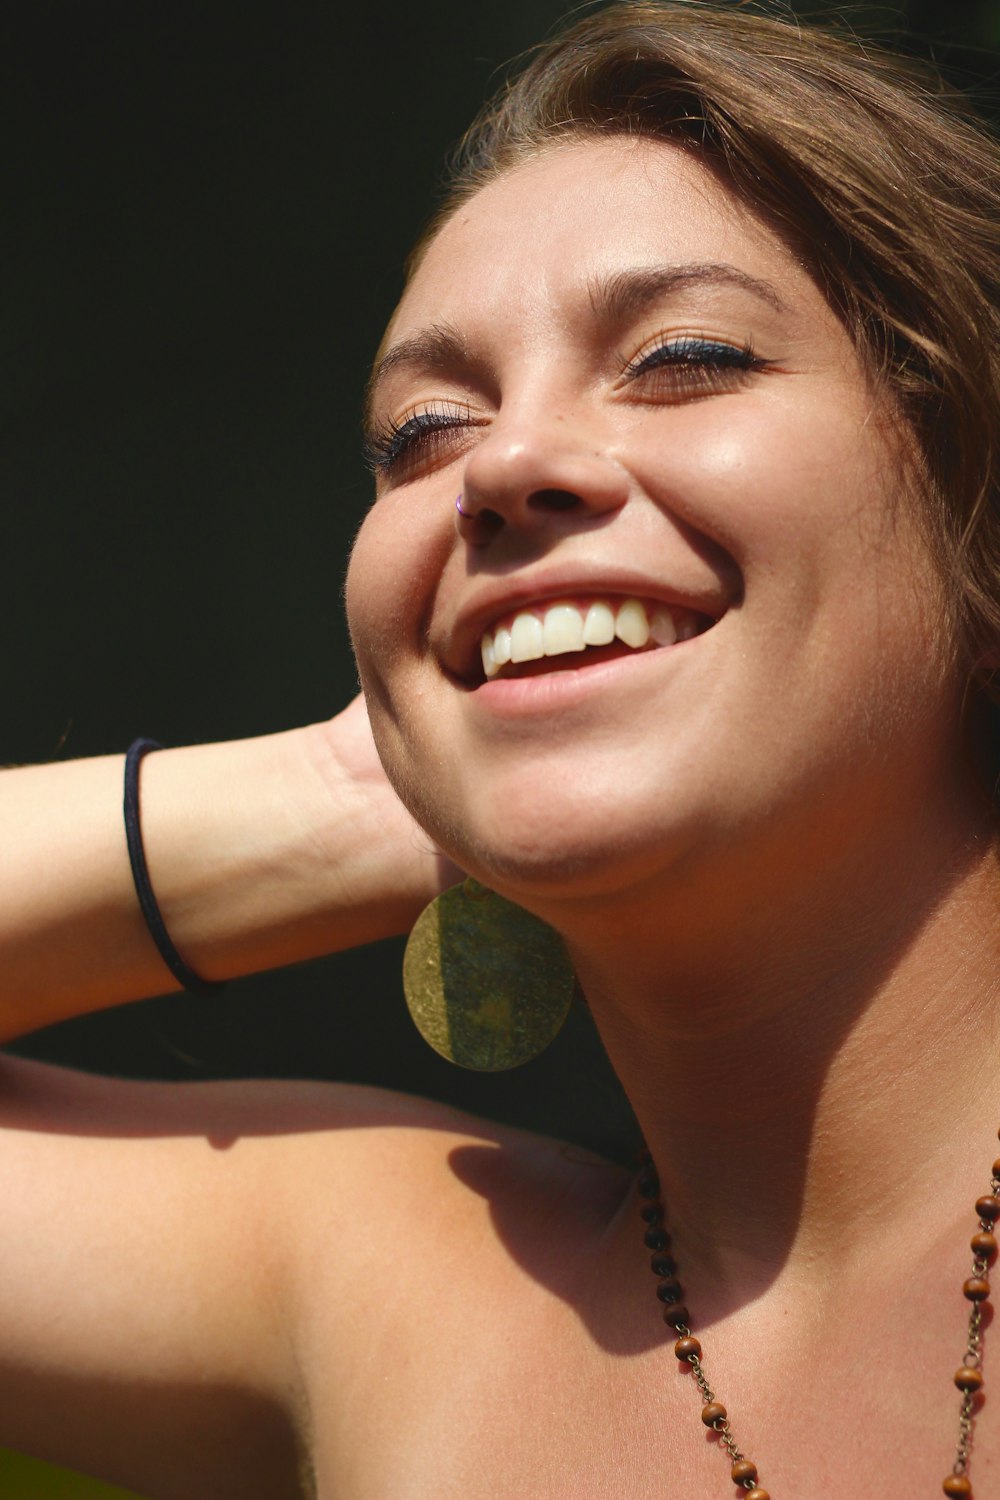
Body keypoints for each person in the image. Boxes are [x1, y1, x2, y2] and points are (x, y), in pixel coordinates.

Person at [2, 3, 1000, 1497]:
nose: (504, 466)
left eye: (684, 355)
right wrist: (364, 792)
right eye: (423, 433)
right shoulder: (383, 1296)